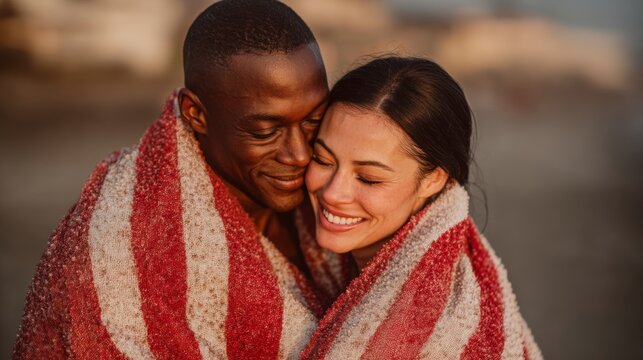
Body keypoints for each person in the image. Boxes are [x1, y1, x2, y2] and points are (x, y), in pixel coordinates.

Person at [13, 1, 349, 358]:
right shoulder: (124, 249)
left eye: (313, 119)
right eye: (265, 131)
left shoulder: (340, 177)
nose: (298, 153)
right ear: (196, 115)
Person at [299, 57, 543, 359]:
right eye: (323, 160)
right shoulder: (299, 243)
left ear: (434, 180)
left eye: (369, 178)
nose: (334, 192)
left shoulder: (438, 336)